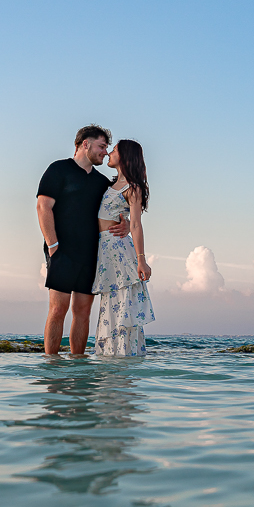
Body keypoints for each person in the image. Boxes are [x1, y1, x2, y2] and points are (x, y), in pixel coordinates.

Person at [36, 125, 128, 356]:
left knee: (83, 312)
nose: (105, 152)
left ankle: (78, 367)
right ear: (85, 144)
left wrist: (125, 223)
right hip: (62, 251)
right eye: (101, 146)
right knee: (58, 309)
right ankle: (52, 366)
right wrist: (53, 245)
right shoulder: (58, 169)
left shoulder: (101, 183)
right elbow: (43, 206)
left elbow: (116, 210)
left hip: (92, 254)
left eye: (107, 147)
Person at [92, 139, 154, 356]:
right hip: (106, 251)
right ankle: (110, 358)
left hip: (120, 252)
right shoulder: (108, 186)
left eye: (115, 150)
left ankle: (124, 358)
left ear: (125, 157)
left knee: (123, 303)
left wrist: (141, 259)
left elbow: (136, 224)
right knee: (110, 304)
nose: (109, 152)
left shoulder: (133, 188)